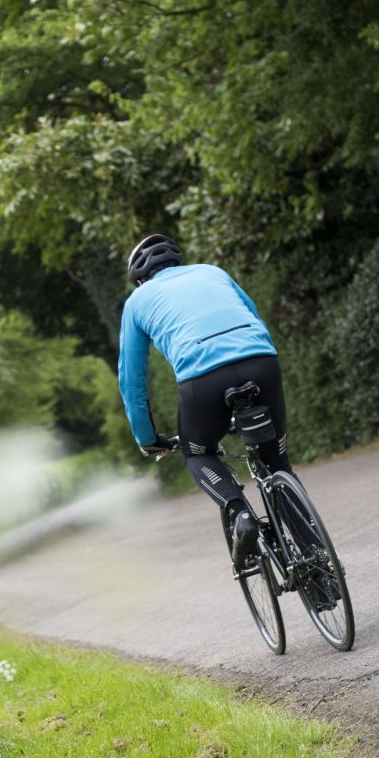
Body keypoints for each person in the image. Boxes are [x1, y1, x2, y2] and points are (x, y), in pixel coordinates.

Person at [117, 233, 292, 567]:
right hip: (262, 361)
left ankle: (240, 515)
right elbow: (254, 316)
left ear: (140, 279)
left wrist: (148, 439)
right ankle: (319, 562)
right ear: (175, 261)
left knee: (197, 454)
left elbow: (131, 381)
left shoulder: (137, 302)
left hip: (202, 379)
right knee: (277, 463)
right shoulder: (213, 271)